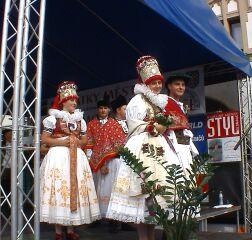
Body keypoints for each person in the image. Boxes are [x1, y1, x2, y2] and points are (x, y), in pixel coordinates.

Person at [106, 56, 189, 240]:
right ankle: (144, 238)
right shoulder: (137, 101)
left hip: (160, 147)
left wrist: (164, 125)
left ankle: (151, 236)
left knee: (154, 199)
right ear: (145, 82)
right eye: (153, 82)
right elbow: (134, 124)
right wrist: (152, 126)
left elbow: (170, 121)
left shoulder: (160, 101)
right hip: (142, 148)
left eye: (159, 82)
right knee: (142, 195)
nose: (158, 86)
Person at [40, 81, 100, 240]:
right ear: (63, 101)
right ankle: (58, 231)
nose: (74, 102)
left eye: (75, 100)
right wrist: (62, 142)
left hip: (76, 156)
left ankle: (71, 229)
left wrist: (76, 142)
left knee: (75, 189)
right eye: (72, 99)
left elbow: (85, 140)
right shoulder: (53, 119)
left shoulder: (80, 120)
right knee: (61, 189)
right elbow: (44, 139)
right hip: (59, 157)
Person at [86, 97, 126, 232]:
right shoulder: (91, 124)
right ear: (98, 109)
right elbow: (89, 143)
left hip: (112, 162)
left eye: (105, 108)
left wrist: (106, 161)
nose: (103, 110)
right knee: (95, 190)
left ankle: (114, 221)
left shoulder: (115, 124)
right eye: (101, 108)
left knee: (111, 191)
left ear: (109, 110)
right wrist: (90, 160)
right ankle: (96, 218)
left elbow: (119, 144)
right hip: (96, 163)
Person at [165, 74, 199, 168]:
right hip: (172, 147)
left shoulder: (181, 106)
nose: (181, 87)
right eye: (177, 84)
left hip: (184, 147)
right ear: (169, 86)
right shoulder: (164, 103)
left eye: (183, 85)